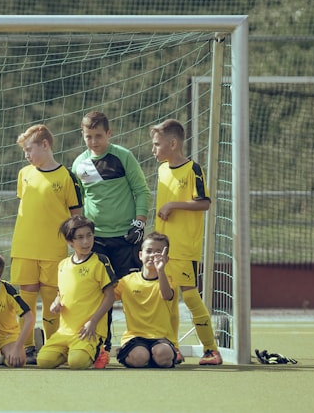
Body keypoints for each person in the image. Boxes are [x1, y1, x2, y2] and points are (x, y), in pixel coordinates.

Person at [72, 110, 150, 364]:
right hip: (97, 241)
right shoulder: (78, 164)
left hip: (127, 238)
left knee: (132, 292)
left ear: (109, 133)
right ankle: (101, 348)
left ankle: (139, 341)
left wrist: (139, 222)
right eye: (88, 136)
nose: (93, 141)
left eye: (98, 136)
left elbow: (141, 190)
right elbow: (79, 203)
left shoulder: (123, 156)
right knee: (99, 295)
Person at [150, 118, 222, 365]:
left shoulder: (193, 170)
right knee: (167, 299)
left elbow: (204, 202)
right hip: (163, 248)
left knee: (190, 297)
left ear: (172, 143)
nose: (153, 149)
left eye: (157, 144)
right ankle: (174, 349)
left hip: (184, 247)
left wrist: (174, 205)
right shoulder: (161, 170)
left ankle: (211, 350)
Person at [10, 124, 83, 363]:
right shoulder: (24, 174)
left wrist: (76, 244)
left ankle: (54, 345)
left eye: (29, 149)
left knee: (53, 302)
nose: (26, 155)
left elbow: (76, 217)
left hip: (54, 251)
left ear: (45, 145)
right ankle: (28, 347)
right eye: (23, 152)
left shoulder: (67, 177)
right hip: (24, 248)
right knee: (26, 300)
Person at [36, 215, 117, 370]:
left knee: (78, 363)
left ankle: (100, 352)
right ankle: (73, 351)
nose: (86, 242)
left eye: (89, 236)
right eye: (79, 238)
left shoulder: (100, 261)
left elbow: (110, 296)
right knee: (44, 361)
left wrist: (93, 322)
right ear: (70, 242)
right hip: (65, 331)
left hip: (89, 331)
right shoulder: (63, 265)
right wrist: (56, 302)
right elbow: (61, 293)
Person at [114, 232, 178, 368]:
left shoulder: (168, 280)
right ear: (140, 255)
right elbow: (106, 297)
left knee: (163, 355)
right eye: (149, 251)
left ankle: (163, 355)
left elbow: (166, 295)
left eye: (158, 252)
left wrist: (160, 270)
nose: (153, 255)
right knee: (139, 357)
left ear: (166, 258)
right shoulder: (127, 281)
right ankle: (139, 356)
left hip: (161, 338)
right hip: (135, 337)